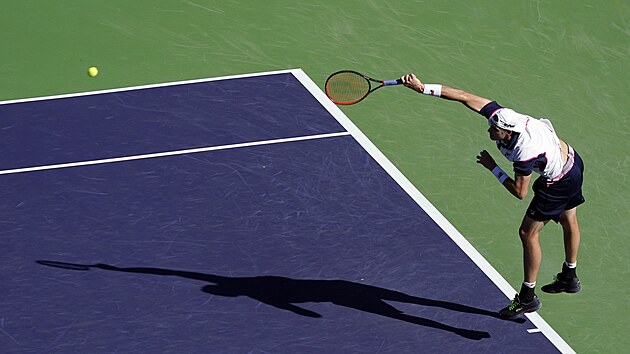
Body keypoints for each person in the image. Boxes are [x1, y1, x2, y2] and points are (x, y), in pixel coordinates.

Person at [400, 74, 584, 319]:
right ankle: (569, 277)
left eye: (494, 129)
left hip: (558, 180)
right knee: (568, 217)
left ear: (507, 133)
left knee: (527, 233)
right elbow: (464, 97)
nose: (489, 128)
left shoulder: (524, 151)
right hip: (572, 162)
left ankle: (527, 297)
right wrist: (422, 88)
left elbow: (520, 192)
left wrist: (493, 167)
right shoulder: (506, 117)